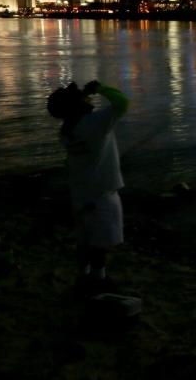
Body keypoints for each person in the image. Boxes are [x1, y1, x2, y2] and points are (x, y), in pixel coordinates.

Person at [47, 80, 130, 293]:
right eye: (83, 98)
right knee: (99, 242)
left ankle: (83, 277)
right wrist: (101, 88)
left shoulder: (66, 131)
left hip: (80, 192)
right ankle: (99, 280)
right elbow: (122, 103)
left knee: (84, 239)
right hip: (101, 192)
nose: (88, 98)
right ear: (76, 106)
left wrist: (82, 97)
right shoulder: (94, 124)